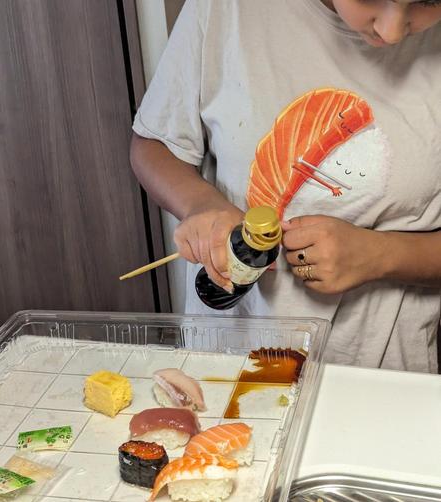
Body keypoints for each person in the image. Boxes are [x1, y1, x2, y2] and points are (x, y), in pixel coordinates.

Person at [130, 0, 441, 373]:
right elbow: (154, 145)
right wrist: (200, 204)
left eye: (429, 2)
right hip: (226, 364)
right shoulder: (225, 9)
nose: (391, 31)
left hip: (381, 378)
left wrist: (381, 255)